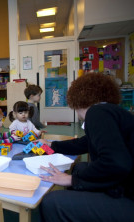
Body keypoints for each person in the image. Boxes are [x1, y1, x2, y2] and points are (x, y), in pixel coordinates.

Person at [37, 73, 134, 222]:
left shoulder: (96, 113)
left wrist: (73, 180)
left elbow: (116, 163)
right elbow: (84, 143)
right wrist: (52, 145)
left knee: (52, 202)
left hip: (128, 197)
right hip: (126, 183)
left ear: (79, 99)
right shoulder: (111, 111)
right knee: (80, 168)